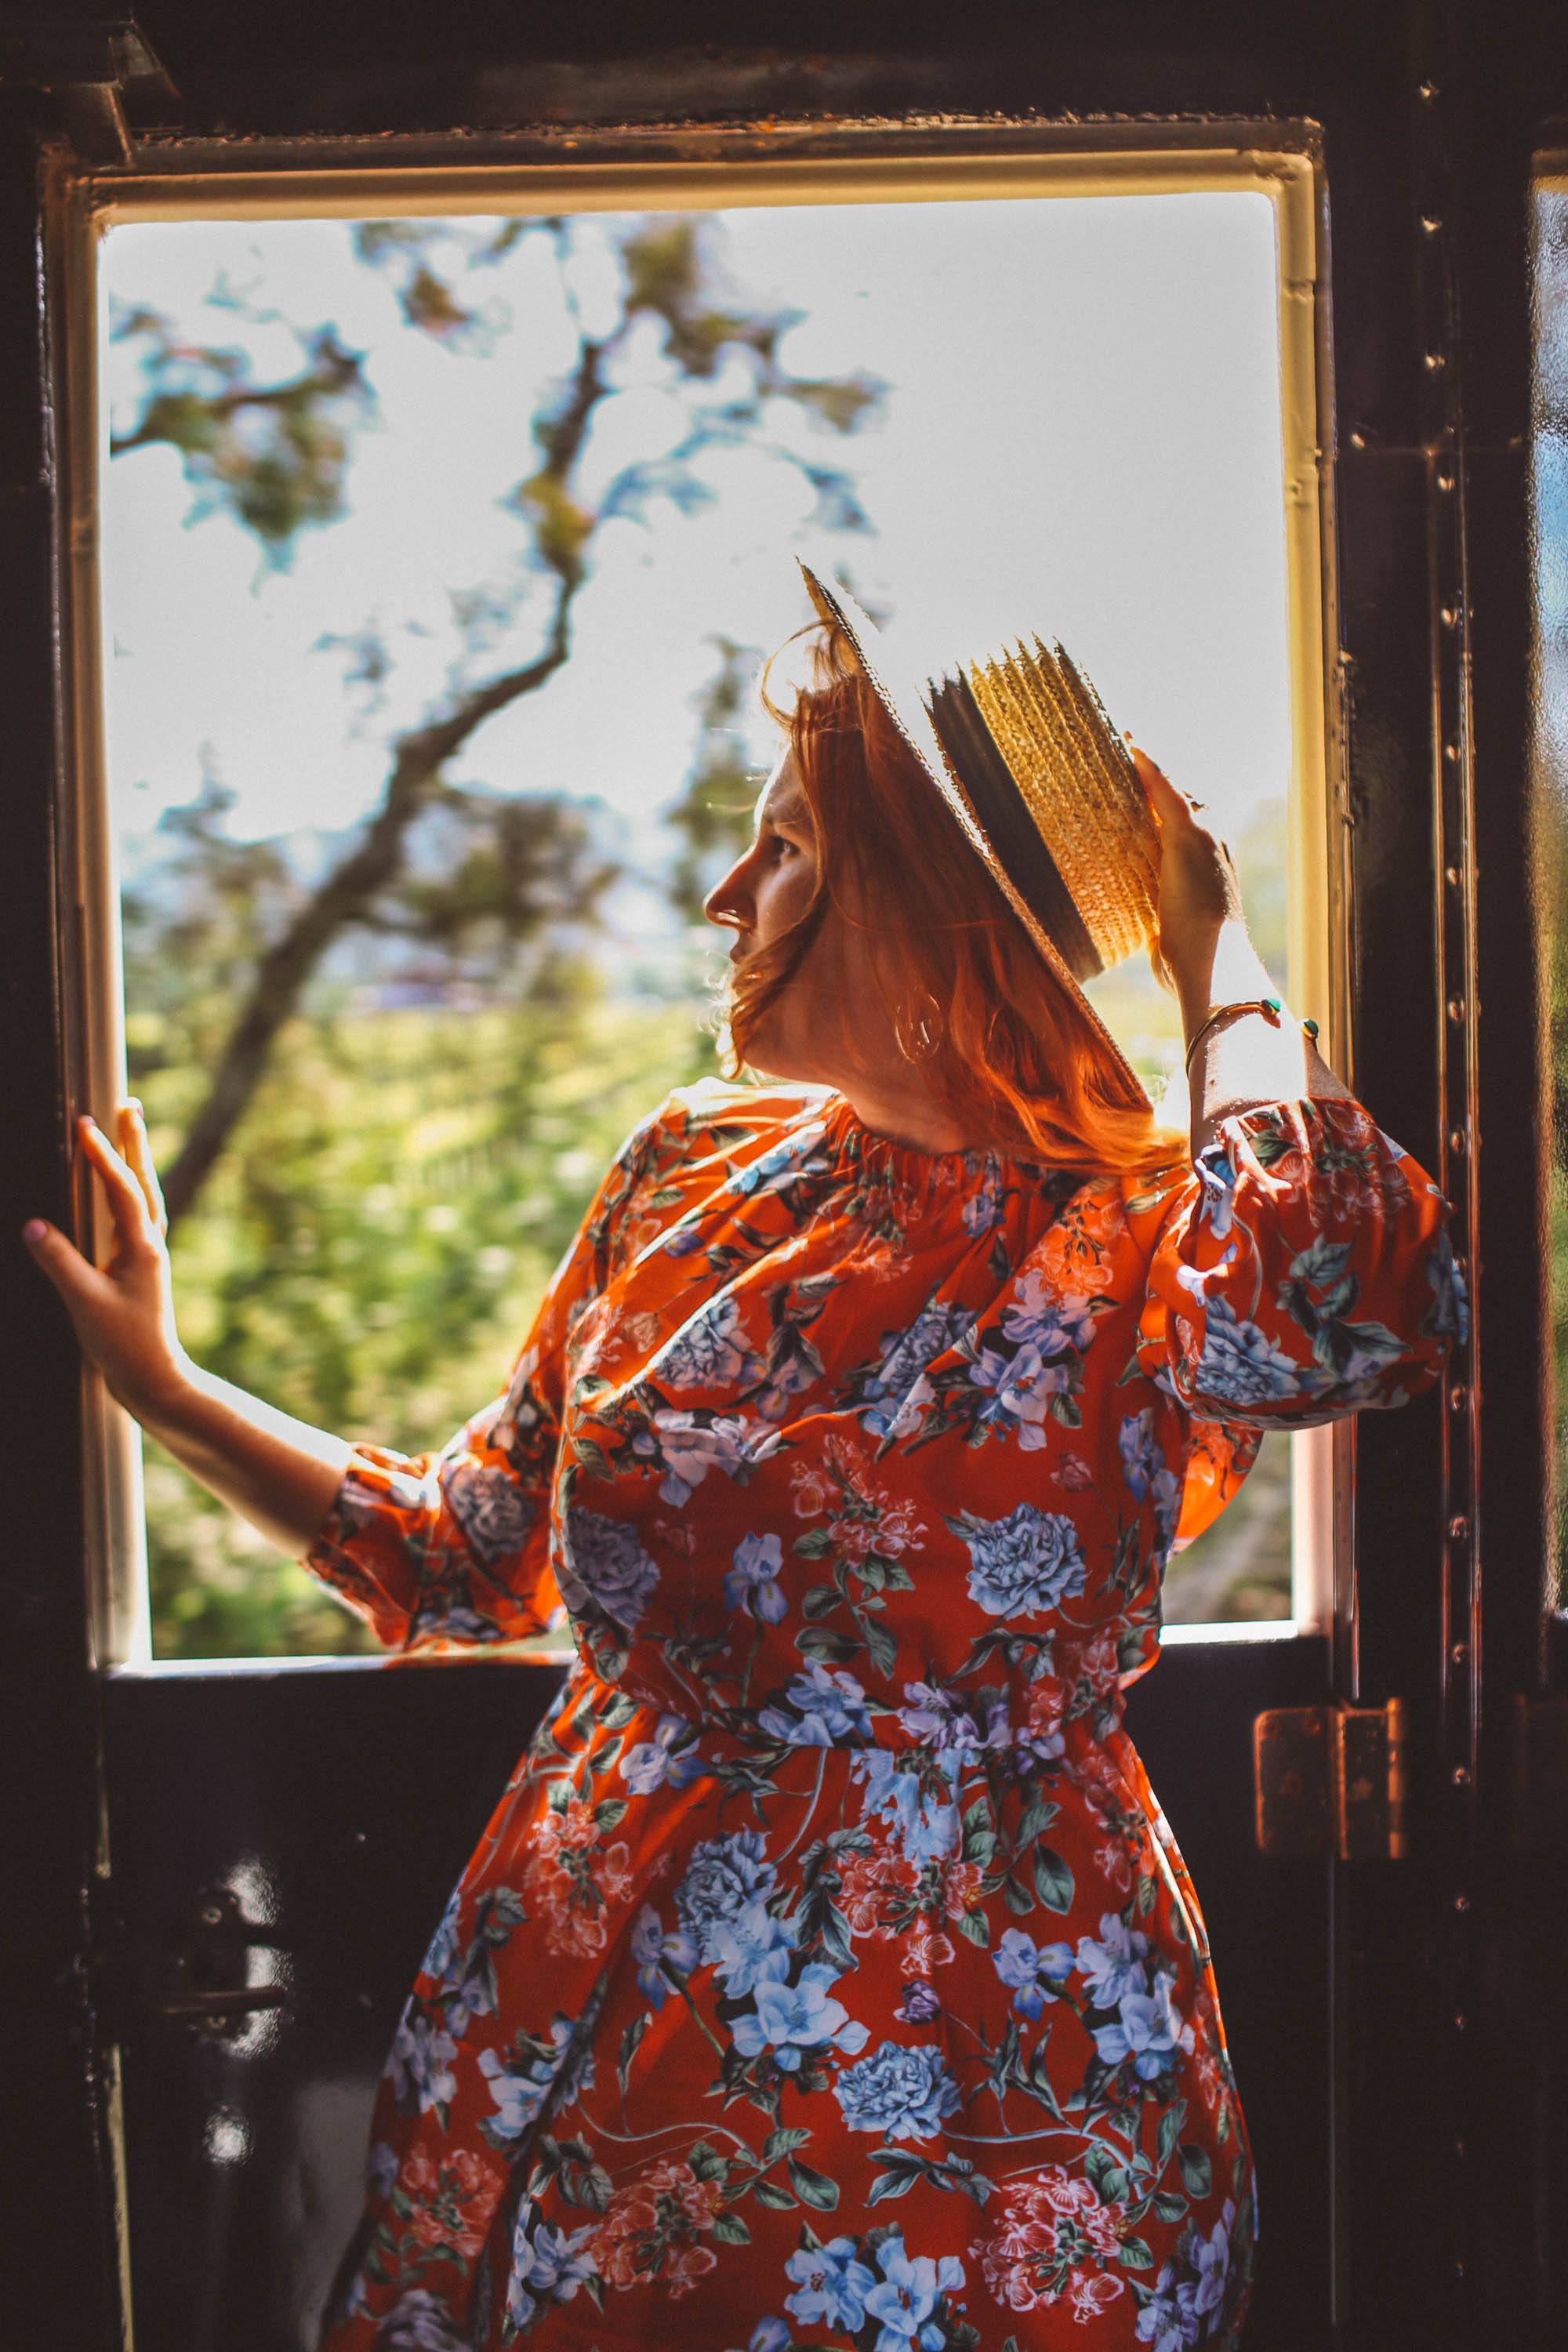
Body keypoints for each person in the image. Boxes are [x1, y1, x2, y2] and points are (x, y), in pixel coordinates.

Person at [25, 573, 1464, 2350]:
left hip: (989, 2076)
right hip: (584, 2027)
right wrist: (164, 1388)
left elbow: (1340, 1318)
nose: (724, 893)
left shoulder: (1140, 1236)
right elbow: (470, 1551)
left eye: (779, 847)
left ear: (929, 914)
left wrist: (1206, 952)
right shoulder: (684, 1174)